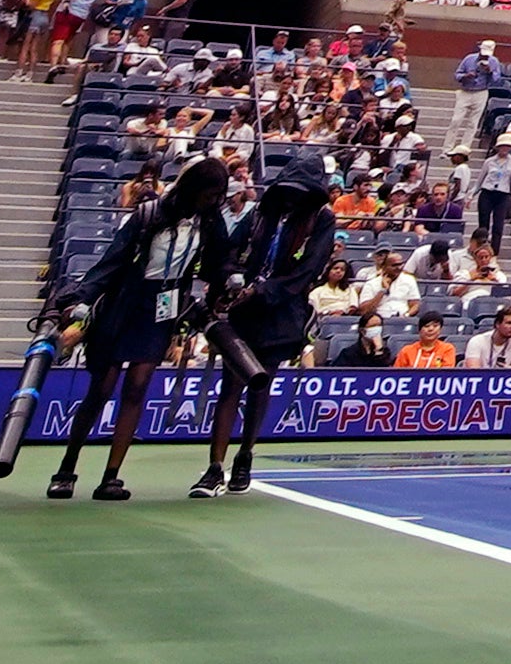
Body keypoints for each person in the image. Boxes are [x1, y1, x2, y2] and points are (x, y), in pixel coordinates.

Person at [45, 156, 231, 503]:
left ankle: (111, 477)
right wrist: (83, 299)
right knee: (101, 389)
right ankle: (66, 470)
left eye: (217, 196)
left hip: (162, 308)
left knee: (137, 388)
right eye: (209, 194)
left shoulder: (209, 221)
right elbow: (111, 261)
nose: (214, 201)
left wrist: (228, 284)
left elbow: (219, 263)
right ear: (193, 189)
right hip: (124, 303)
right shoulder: (149, 215)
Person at [189, 171, 339, 501]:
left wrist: (263, 290)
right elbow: (232, 250)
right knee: (230, 386)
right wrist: (232, 279)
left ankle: (245, 456)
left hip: (281, 313)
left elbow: (308, 270)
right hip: (243, 311)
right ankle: (215, 467)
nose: (292, 198)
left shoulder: (321, 219)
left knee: (260, 385)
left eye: (300, 193)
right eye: (288, 191)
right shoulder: (261, 212)